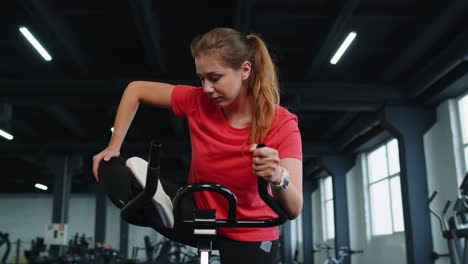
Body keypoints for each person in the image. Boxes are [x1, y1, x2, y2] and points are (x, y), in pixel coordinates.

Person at [92, 27, 303, 264]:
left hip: (248, 232)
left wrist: (277, 176)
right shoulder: (198, 102)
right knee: (108, 165)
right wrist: (113, 145)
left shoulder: (281, 123)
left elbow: (294, 209)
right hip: (197, 216)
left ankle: (154, 204)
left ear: (245, 70)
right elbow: (136, 89)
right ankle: (155, 203)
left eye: (214, 78)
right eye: (201, 79)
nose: (206, 89)